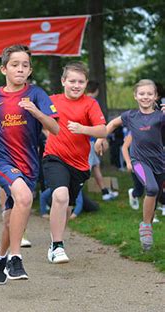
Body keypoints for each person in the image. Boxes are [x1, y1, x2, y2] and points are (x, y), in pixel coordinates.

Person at [0, 45, 59, 284]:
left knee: (11, 219)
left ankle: (0, 255)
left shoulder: (36, 94)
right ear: (4, 68)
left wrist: (36, 112)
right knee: (24, 198)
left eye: (25, 65)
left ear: (30, 70)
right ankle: (15, 257)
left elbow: (54, 128)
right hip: (2, 160)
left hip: (29, 164)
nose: (20, 69)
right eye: (15, 65)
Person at [43, 61, 107, 264]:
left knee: (68, 205)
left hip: (79, 164)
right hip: (54, 157)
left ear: (86, 83)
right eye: (72, 81)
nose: (76, 85)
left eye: (80, 82)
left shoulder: (90, 104)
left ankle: (55, 240)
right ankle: (58, 246)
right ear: (63, 81)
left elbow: (102, 130)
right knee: (60, 196)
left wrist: (84, 129)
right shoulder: (51, 100)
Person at [96, 79, 164, 251]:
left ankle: (147, 221)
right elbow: (111, 124)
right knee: (152, 189)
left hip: (159, 162)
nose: (145, 97)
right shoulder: (130, 116)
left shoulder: (161, 116)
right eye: (142, 94)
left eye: (150, 94)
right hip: (138, 161)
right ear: (135, 96)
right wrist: (101, 138)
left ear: (156, 96)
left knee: (155, 193)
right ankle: (146, 226)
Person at [86, 81, 119, 201]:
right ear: (96, 90)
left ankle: (105, 192)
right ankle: (74, 196)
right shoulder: (93, 102)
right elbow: (97, 122)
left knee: (96, 167)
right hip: (90, 141)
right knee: (86, 169)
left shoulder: (82, 100)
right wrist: (103, 138)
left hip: (90, 140)